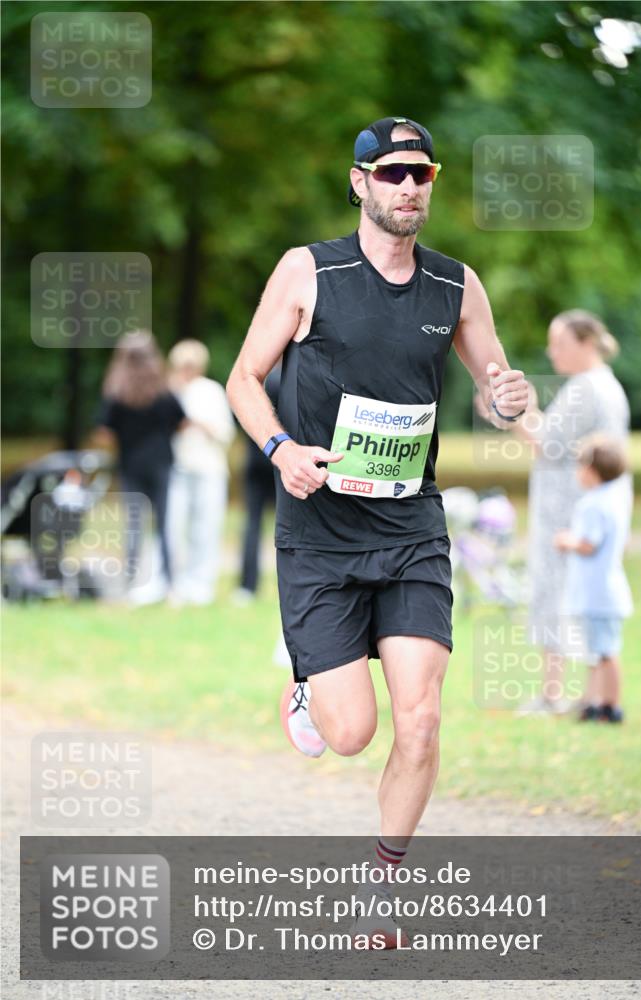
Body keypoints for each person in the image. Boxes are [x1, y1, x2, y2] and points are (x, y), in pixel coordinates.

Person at [226, 116, 529, 948]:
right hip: (320, 531)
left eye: (419, 174)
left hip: (411, 529)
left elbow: (499, 386)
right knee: (352, 734)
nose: (406, 187)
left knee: (422, 717)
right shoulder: (306, 271)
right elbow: (244, 379)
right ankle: (307, 686)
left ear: (430, 185)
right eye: (390, 173)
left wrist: (516, 409)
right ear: (358, 181)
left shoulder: (454, 286)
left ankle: (381, 890)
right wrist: (280, 448)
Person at [511, 310, 630, 716]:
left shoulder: (586, 388)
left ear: (585, 343)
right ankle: (590, 696)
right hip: (584, 511)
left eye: (559, 342)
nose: (551, 351)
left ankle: (551, 694)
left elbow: (544, 441)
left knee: (556, 597)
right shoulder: (606, 386)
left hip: (567, 512)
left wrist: (513, 409)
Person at [96, 329, 186, 603]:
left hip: (130, 465)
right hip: (161, 463)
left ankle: (130, 585)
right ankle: (171, 586)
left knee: (133, 526)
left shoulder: (116, 393)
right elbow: (181, 421)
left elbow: (103, 433)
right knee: (164, 524)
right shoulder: (163, 390)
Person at [554, 436, 632, 723]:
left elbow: (589, 544)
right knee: (598, 650)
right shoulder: (615, 499)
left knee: (606, 652)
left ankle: (609, 705)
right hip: (607, 590)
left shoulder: (593, 504)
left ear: (592, 469)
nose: (577, 472)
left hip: (599, 594)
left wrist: (566, 541)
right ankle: (593, 700)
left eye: (580, 466)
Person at [167, 340, 235, 606]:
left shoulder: (211, 391)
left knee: (206, 528)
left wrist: (198, 424)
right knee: (174, 527)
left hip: (209, 469)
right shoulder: (170, 390)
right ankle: (176, 583)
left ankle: (202, 585)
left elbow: (225, 432)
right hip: (177, 468)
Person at [234, 364, 282, 604]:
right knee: (288, 527)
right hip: (283, 464)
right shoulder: (286, 379)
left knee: (252, 524)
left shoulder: (254, 384)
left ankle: (247, 586)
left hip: (256, 460)